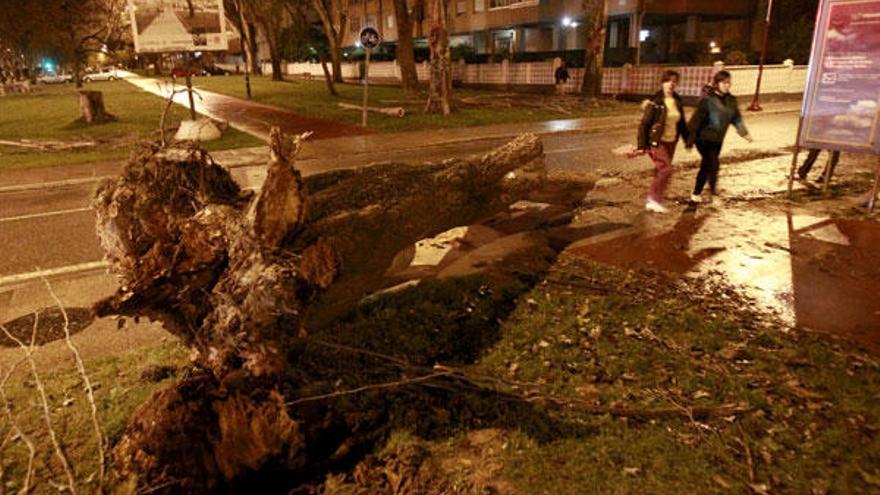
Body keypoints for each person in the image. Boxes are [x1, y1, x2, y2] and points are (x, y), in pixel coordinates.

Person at [686, 70, 753, 203]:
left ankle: (704, 190)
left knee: (709, 165)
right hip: (703, 139)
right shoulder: (707, 100)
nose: (726, 85)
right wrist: (690, 140)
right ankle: (701, 191)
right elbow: (695, 121)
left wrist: (744, 133)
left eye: (728, 82)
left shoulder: (731, 101)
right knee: (712, 163)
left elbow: (736, 118)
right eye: (723, 82)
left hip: (717, 140)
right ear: (717, 83)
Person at [636, 70, 689, 213]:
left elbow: (682, 123)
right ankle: (653, 199)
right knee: (666, 169)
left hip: (671, 141)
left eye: (674, 81)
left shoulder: (677, 101)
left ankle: (655, 197)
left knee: (661, 170)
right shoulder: (656, 102)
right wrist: (641, 146)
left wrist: (688, 140)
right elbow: (644, 124)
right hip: (657, 141)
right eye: (668, 81)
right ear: (662, 83)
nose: (671, 84)